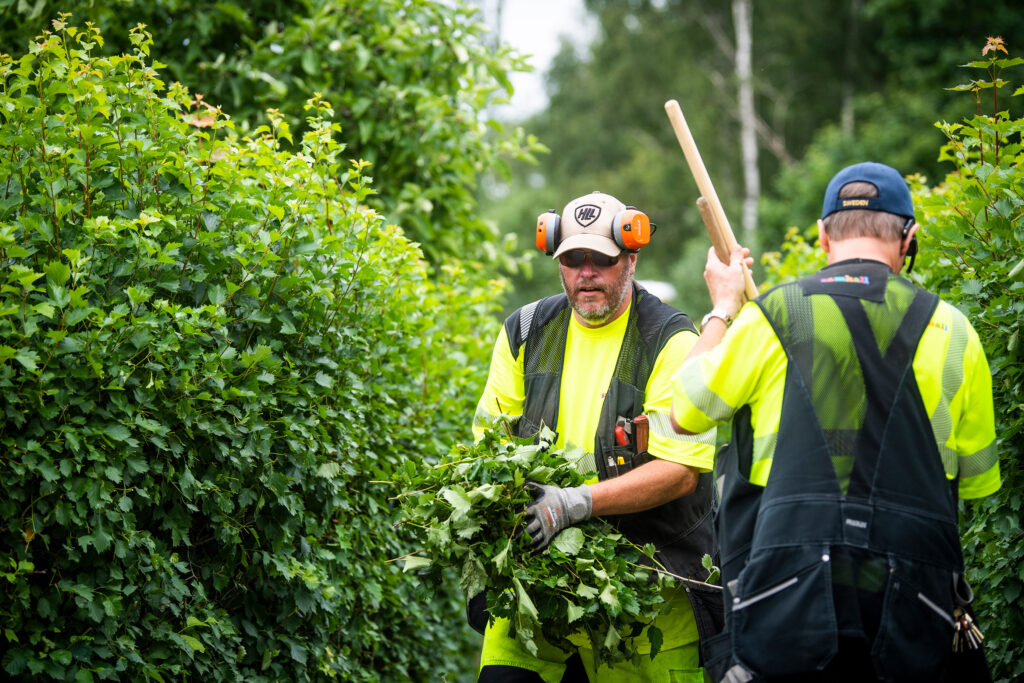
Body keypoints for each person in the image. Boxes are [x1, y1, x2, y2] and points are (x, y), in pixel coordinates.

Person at [670, 162, 1001, 682]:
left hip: (790, 599)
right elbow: (977, 480)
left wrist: (722, 307)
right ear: (909, 238)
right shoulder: (955, 331)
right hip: (914, 602)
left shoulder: (772, 317)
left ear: (823, 236)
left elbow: (683, 412)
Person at [471, 191, 723, 682]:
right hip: (536, 595)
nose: (586, 273)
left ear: (631, 257)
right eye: (572, 259)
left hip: (646, 604)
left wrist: (573, 503)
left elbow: (679, 473)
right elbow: (490, 449)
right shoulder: (525, 330)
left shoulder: (670, 341)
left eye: (601, 260)